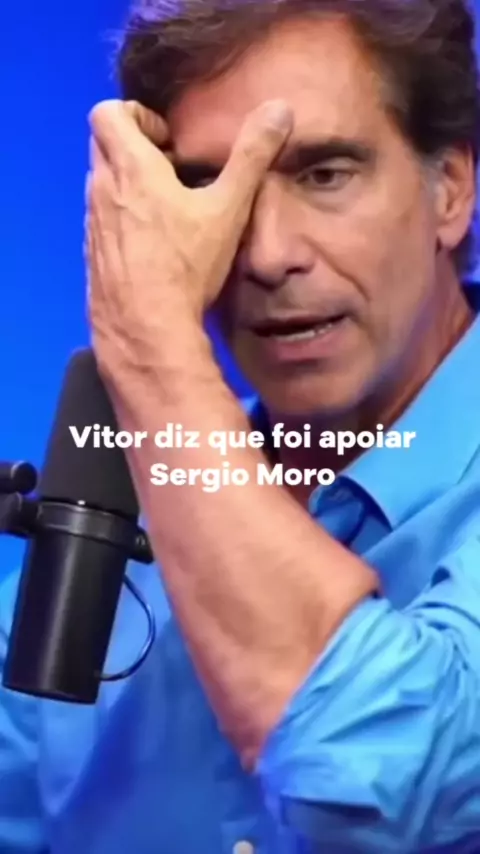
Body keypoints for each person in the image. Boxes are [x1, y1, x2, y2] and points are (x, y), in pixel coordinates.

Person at [2, 0, 480, 850]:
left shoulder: (158, 405)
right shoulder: (113, 541)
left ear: (450, 186)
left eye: (324, 174)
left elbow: (398, 788)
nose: (264, 255)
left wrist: (152, 345)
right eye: (207, 189)